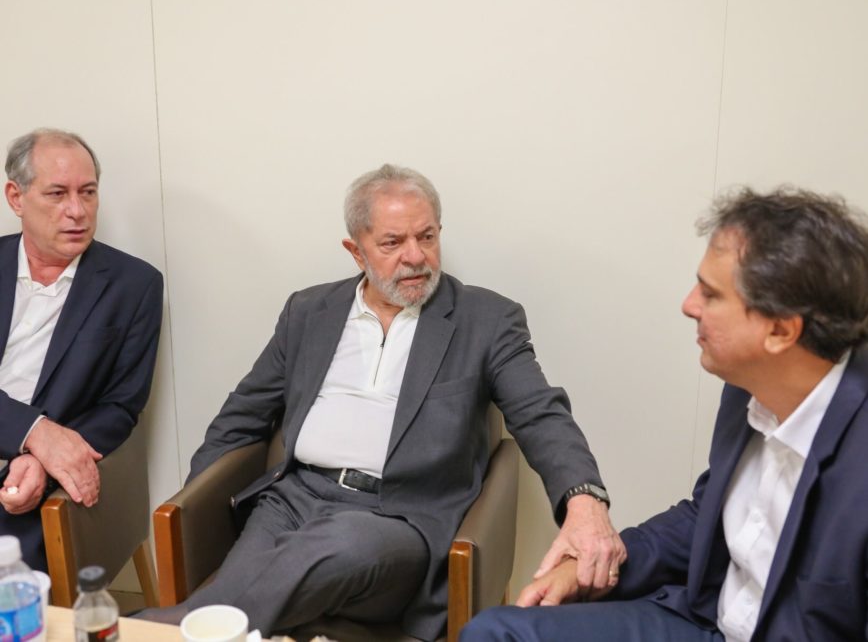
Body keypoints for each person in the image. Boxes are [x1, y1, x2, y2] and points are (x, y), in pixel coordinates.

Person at [138, 164, 624, 640]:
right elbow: (242, 415)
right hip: (291, 501)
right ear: (356, 251)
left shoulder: (486, 320)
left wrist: (584, 499)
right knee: (254, 589)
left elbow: (541, 414)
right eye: (392, 243)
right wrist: (194, 506)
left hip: (398, 518)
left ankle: (148, 630)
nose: (415, 256)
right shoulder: (308, 311)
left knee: (321, 555)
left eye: (427, 237)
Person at [461, 187, 868, 641]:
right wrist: (592, 564)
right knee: (496, 632)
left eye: (711, 295)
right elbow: (704, 519)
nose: (689, 305)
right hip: (706, 620)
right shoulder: (747, 385)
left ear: (780, 331)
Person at [0, 128, 163, 571]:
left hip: (31, 487)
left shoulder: (134, 286)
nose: (77, 211)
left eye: (88, 192)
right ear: (16, 197)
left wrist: (43, 460)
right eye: (57, 194)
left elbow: (121, 406)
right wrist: (35, 433)